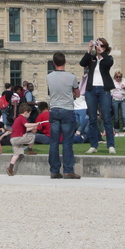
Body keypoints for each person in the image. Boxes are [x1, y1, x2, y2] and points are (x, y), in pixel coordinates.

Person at [79, 37, 116, 155]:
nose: (98, 48)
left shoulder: (107, 58)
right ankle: (93, 145)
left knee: (106, 118)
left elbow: (109, 63)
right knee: (92, 119)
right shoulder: (92, 59)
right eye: (97, 45)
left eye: (101, 45)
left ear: (105, 48)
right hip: (91, 90)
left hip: (103, 89)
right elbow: (82, 63)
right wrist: (89, 49)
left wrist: (102, 52)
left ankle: (111, 145)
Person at [47, 51, 81, 179]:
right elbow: (77, 93)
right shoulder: (71, 77)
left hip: (54, 109)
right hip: (67, 109)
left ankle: (54, 170)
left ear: (54, 63)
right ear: (65, 62)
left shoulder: (49, 77)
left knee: (54, 142)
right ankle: (68, 170)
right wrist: (71, 93)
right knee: (67, 142)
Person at [7, 103, 38, 176]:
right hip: (18, 137)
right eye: (29, 114)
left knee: (16, 154)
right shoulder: (22, 118)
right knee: (32, 136)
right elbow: (26, 125)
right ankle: (30, 150)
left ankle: (10, 168)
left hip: (13, 139)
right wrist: (35, 124)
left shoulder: (18, 119)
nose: (29, 115)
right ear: (26, 112)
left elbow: (25, 129)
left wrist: (33, 128)